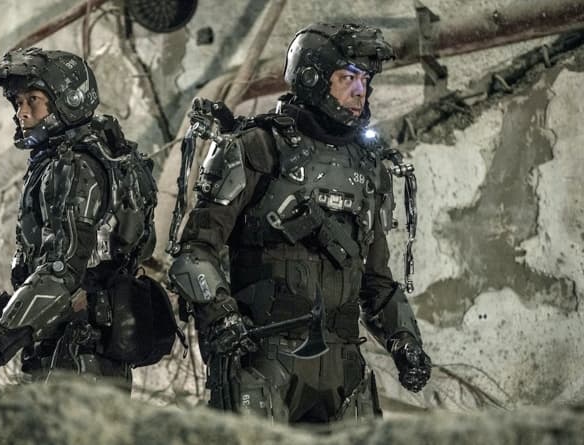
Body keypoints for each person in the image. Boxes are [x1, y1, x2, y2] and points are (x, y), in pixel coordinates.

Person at [168, 23, 431, 423]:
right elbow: (193, 253)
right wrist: (220, 314)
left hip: (344, 366)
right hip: (264, 358)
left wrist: (405, 341)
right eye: (347, 78)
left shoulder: (370, 168)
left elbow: (377, 281)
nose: (360, 90)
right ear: (312, 78)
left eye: (364, 79)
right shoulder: (256, 146)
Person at [0, 48, 174, 387]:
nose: (22, 112)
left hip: (81, 359)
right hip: (72, 352)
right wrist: (3, 309)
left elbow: (63, 271)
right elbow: (72, 271)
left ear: (67, 100)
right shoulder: (70, 160)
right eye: (18, 102)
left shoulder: (74, 167)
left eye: (33, 100)